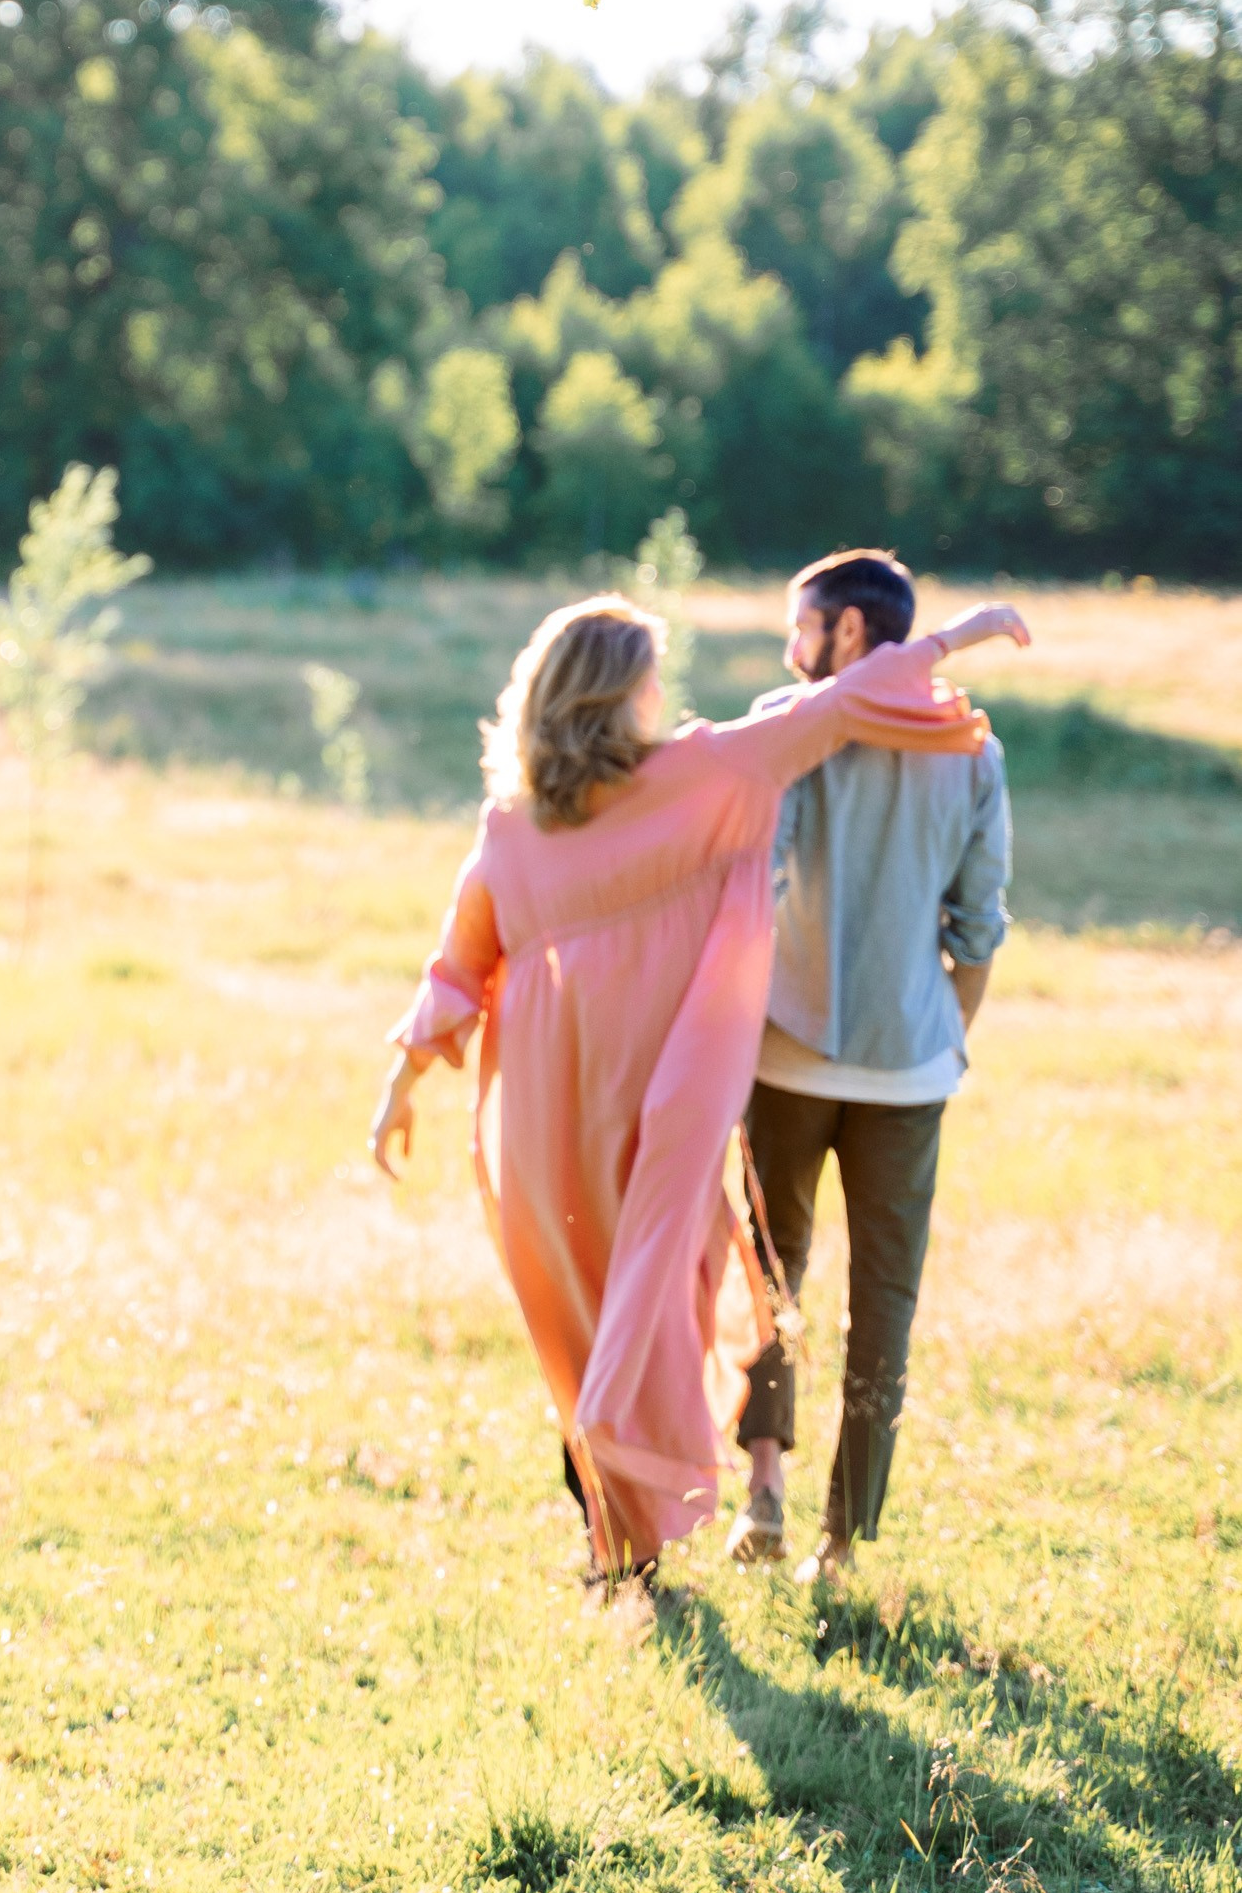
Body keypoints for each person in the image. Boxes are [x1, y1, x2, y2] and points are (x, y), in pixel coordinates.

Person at [369, 585, 1029, 1590]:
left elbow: (455, 963)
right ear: (613, 695)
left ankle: (620, 1549)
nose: (662, 693)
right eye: (650, 677)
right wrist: (957, 635)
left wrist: (402, 1080)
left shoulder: (532, 813)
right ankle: (617, 1552)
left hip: (574, 1107)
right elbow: (845, 703)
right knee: (612, 1309)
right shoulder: (659, 781)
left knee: (620, 1306)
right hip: (622, 1105)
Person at [725, 549, 1013, 1582]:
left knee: (770, 1271)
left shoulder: (785, 721)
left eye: (799, 625)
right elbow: (977, 923)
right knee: (881, 1300)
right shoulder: (968, 744)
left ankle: (761, 1486)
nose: (787, 646)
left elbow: (750, 885)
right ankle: (839, 1541)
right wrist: (949, 1029)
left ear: (847, 632)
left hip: (783, 1054)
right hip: (908, 1067)